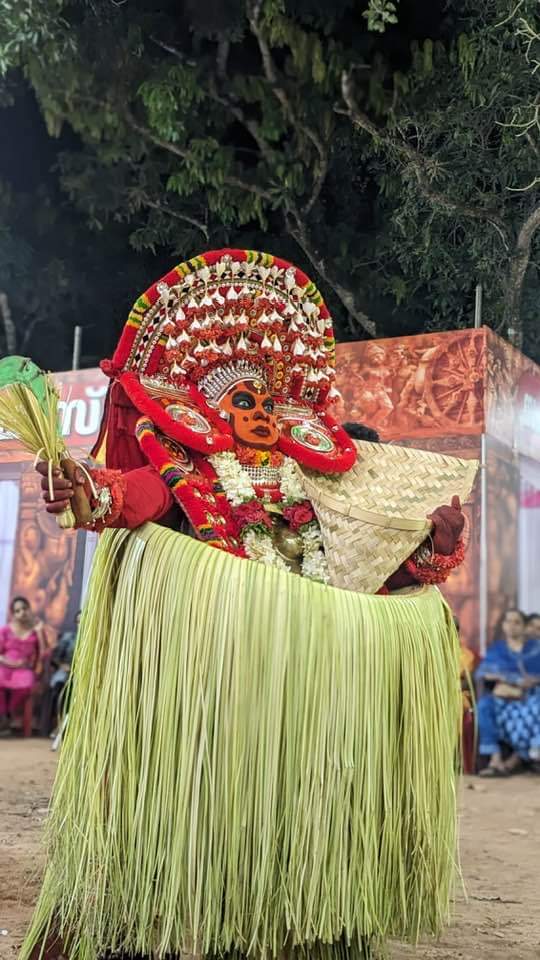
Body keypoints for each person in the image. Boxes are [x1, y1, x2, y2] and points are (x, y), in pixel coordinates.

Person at [23, 248, 467, 960]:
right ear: (204, 409)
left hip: (307, 686)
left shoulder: (323, 480)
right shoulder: (188, 467)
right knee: (168, 827)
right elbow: (137, 499)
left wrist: (429, 551)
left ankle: (290, 931)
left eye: (264, 399)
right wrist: (86, 492)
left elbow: (367, 567)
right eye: (238, 400)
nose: (255, 412)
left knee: (296, 832)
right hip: (208, 683)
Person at [476, 608, 540, 776]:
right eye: (508, 622)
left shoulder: (535, 648)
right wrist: (513, 680)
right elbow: (483, 673)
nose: (512, 626)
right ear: (503, 626)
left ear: (525, 626)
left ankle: (514, 761)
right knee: (484, 706)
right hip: (504, 696)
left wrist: (531, 681)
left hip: (531, 696)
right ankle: (495, 759)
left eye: (517, 622)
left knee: (534, 708)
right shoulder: (497, 650)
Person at [0, 596, 44, 735]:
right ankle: (4, 718)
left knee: (26, 685)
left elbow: (43, 654)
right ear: (13, 613)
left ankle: (7, 714)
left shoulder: (35, 631)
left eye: (24, 609)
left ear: (29, 610)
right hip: (4, 665)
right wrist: (9, 662)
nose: (22, 613)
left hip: (23, 670)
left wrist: (39, 632)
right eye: (17, 610)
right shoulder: (5, 630)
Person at [49, 611, 80, 733]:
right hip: (65, 671)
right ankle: (59, 723)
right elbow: (55, 657)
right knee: (59, 687)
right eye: (78, 621)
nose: (81, 623)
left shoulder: (97, 640)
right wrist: (62, 665)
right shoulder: (68, 637)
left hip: (82, 674)